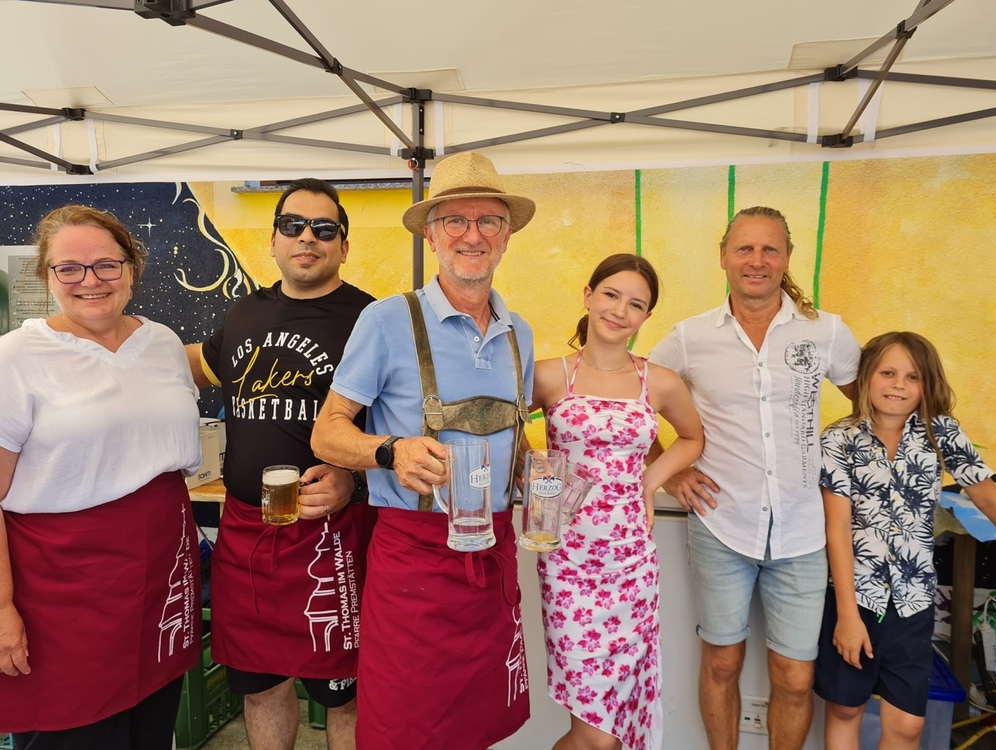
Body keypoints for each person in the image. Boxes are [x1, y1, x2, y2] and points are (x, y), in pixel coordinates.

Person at [310, 151, 535, 750]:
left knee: (480, 726)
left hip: (493, 557)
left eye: (488, 221)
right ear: (432, 235)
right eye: (455, 220)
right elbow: (327, 432)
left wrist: (536, 477)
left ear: (507, 235)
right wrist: (391, 452)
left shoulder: (520, 333)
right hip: (415, 563)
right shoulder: (387, 321)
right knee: (403, 729)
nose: (472, 235)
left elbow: (515, 440)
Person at [647, 206, 861, 750]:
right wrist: (670, 472)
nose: (757, 260)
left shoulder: (827, 331)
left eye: (770, 249)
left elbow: (875, 407)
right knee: (722, 662)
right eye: (744, 248)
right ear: (723, 257)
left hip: (804, 532)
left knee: (795, 677)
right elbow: (628, 400)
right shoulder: (691, 337)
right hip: (722, 526)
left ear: (787, 258)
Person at [0, 205, 202, 749]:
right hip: (61, 585)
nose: (90, 280)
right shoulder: (14, 359)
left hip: (162, 569)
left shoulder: (162, 342)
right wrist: (0, 608)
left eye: (106, 265)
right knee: (74, 732)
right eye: (69, 268)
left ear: (131, 269)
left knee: (152, 726)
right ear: (47, 277)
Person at [186, 179, 377, 750]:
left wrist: (355, 478)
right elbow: (194, 366)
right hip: (248, 534)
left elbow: (406, 427)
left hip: (333, 537)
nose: (307, 238)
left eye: (324, 229)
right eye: (292, 226)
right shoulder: (246, 311)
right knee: (261, 688)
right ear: (273, 240)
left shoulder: (372, 319)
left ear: (344, 245)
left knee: (345, 694)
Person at [532, 253, 704, 750]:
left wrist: (650, 481)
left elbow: (692, 438)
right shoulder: (547, 376)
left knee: (610, 733)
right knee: (595, 736)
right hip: (567, 566)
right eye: (610, 295)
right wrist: (538, 472)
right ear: (588, 296)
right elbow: (497, 425)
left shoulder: (660, 382)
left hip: (631, 566)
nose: (619, 311)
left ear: (646, 317)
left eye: (635, 304)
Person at [818, 332, 996, 750]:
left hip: (912, 602)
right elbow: (837, 528)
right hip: (853, 599)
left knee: (908, 725)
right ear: (866, 376)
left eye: (912, 377)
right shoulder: (839, 438)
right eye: (888, 373)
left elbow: (988, 496)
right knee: (845, 710)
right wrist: (847, 616)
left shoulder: (941, 432)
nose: (898, 385)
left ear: (927, 384)